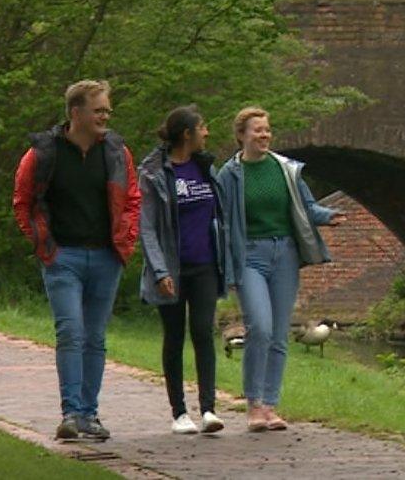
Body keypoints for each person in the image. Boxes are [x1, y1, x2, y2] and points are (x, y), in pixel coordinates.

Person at [13, 80, 140, 440]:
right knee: (71, 331)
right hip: (62, 256)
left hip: (105, 256)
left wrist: (125, 241)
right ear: (76, 113)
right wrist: (42, 244)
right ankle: (70, 413)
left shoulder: (116, 152)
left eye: (107, 110)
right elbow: (23, 201)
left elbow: (132, 198)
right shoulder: (43, 153)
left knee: (95, 338)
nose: (106, 116)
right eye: (98, 110)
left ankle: (89, 414)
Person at [216, 107, 344, 432]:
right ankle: (254, 405)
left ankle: (270, 405)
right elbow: (220, 218)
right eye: (257, 130)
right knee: (259, 326)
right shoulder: (230, 175)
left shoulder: (285, 169)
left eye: (267, 130)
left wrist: (328, 215)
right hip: (250, 255)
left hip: (284, 253)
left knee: (278, 332)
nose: (264, 135)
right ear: (241, 135)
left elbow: (306, 207)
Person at [138, 105, 226, 434]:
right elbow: (146, 227)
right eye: (202, 127)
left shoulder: (206, 168)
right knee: (174, 337)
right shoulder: (154, 173)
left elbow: (221, 216)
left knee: (203, 331)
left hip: (204, 266)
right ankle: (179, 413)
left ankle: (208, 410)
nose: (207, 133)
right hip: (172, 270)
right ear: (187, 134)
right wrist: (160, 272)